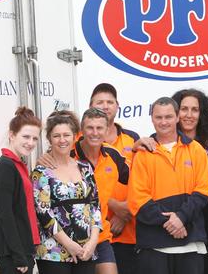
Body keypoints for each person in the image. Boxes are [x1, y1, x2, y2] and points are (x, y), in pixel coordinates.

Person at [127, 97, 208, 274]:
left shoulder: (196, 150)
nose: (163, 122)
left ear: (177, 117)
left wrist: (181, 217)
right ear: (151, 119)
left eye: (168, 117)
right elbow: (138, 199)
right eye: (158, 117)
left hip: (191, 242)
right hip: (154, 245)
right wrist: (172, 222)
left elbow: (202, 191)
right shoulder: (142, 154)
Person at [33, 110, 101, 274]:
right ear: (49, 139)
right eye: (56, 136)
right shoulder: (41, 172)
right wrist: (69, 244)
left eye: (66, 135)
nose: (62, 140)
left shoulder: (86, 168)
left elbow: (95, 206)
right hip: (53, 253)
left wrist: (93, 242)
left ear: (75, 136)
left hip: (86, 250)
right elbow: (43, 213)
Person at [72, 108, 130, 274]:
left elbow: (138, 184)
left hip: (101, 236)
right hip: (72, 239)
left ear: (107, 130)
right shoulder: (69, 155)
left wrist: (124, 213)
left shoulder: (114, 155)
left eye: (100, 128)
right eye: (90, 128)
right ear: (82, 130)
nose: (95, 133)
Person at [89, 83, 140, 274]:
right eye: (99, 102)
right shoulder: (79, 141)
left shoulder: (132, 138)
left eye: (110, 102)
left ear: (118, 106)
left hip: (128, 232)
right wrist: (114, 206)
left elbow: (142, 181)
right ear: (90, 106)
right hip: (93, 235)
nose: (105, 106)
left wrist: (124, 213)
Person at [172, 89, 208, 274]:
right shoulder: (166, 142)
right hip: (178, 215)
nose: (189, 115)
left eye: (195, 110)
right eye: (184, 109)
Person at [0, 106, 42, 274]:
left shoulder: (18, 164)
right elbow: (5, 214)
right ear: (12, 135)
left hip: (23, 245)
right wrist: (18, 255)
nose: (30, 143)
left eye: (35, 138)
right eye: (25, 136)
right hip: (13, 250)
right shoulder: (6, 165)